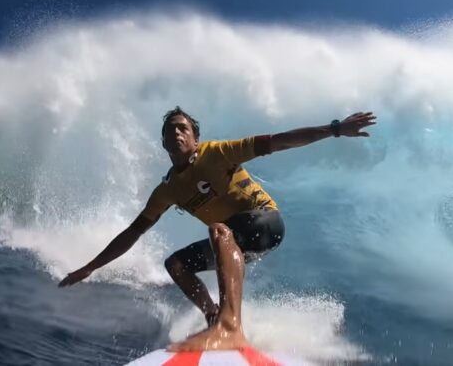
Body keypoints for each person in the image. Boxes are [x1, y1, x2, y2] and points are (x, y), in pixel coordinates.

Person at [58, 107, 376, 351]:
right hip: (234, 242)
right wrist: (89, 268)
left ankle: (230, 325)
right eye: (170, 130)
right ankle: (214, 317)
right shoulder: (167, 190)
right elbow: (132, 233)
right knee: (176, 265)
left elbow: (280, 141)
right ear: (163, 142)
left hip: (266, 221)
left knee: (220, 230)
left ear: (195, 137)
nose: (177, 133)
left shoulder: (218, 153)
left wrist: (335, 129)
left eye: (183, 128)